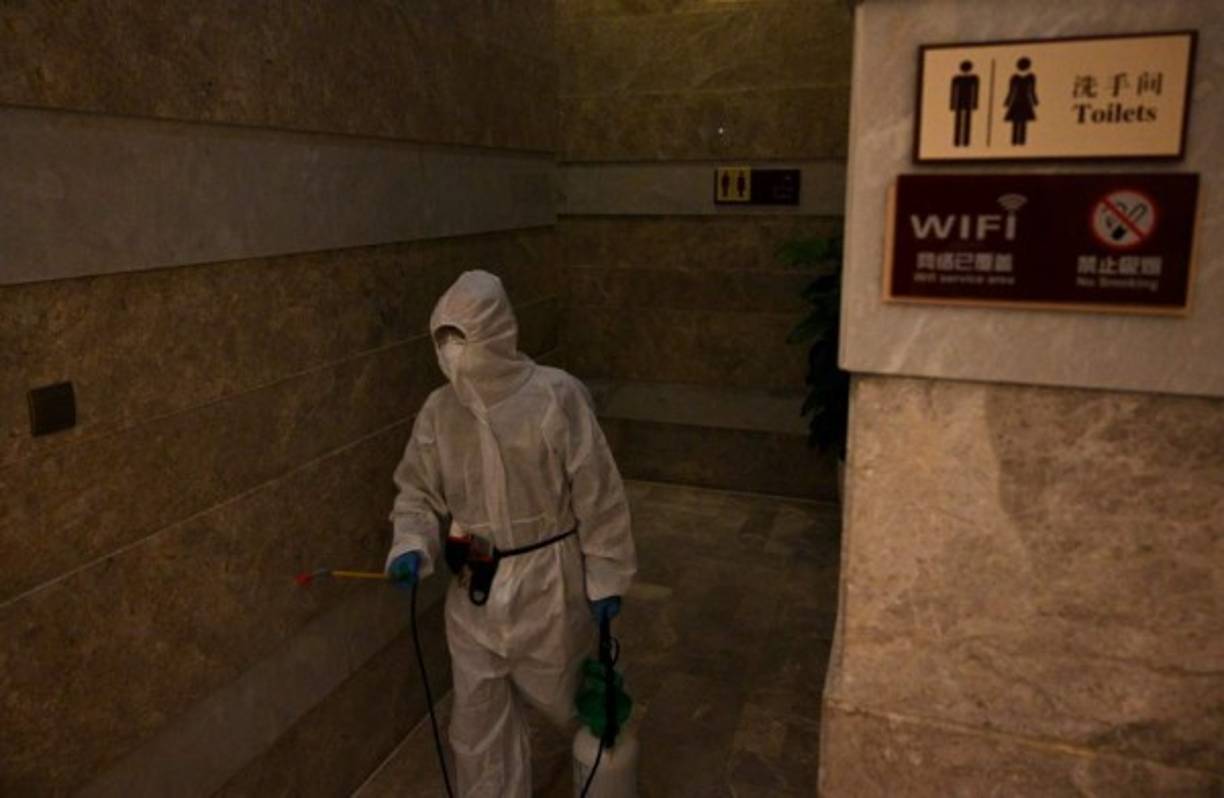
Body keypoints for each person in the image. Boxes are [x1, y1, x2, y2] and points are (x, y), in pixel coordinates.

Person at [384, 270, 636, 797]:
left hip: (547, 582)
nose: (451, 352)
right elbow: (416, 492)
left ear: (497, 332)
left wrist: (607, 575)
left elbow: (599, 492)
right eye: (442, 338)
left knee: (571, 702)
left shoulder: (554, 396)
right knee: (477, 722)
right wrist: (411, 543)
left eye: (462, 336)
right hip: (473, 577)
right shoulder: (438, 412)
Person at [1004, 57, 1038, 145]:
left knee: (1023, 121)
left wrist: (1034, 100)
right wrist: (1007, 101)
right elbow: (1011, 91)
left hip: (1024, 100)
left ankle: (1021, 141)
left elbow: (1032, 91)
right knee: (1016, 121)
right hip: (1018, 101)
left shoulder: (1031, 77)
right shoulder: (1015, 77)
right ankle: (1015, 141)